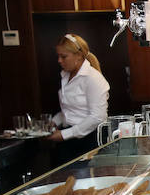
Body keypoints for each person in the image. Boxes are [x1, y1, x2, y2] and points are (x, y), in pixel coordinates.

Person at [47, 33, 109, 164]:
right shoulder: (65, 76)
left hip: (88, 141)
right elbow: (71, 110)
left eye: (63, 56)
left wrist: (64, 135)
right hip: (68, 141)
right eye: (58, 56)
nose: (59, 60)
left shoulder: (93, 78)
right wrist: (53, 121)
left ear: (79, 56)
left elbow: (98, 117)